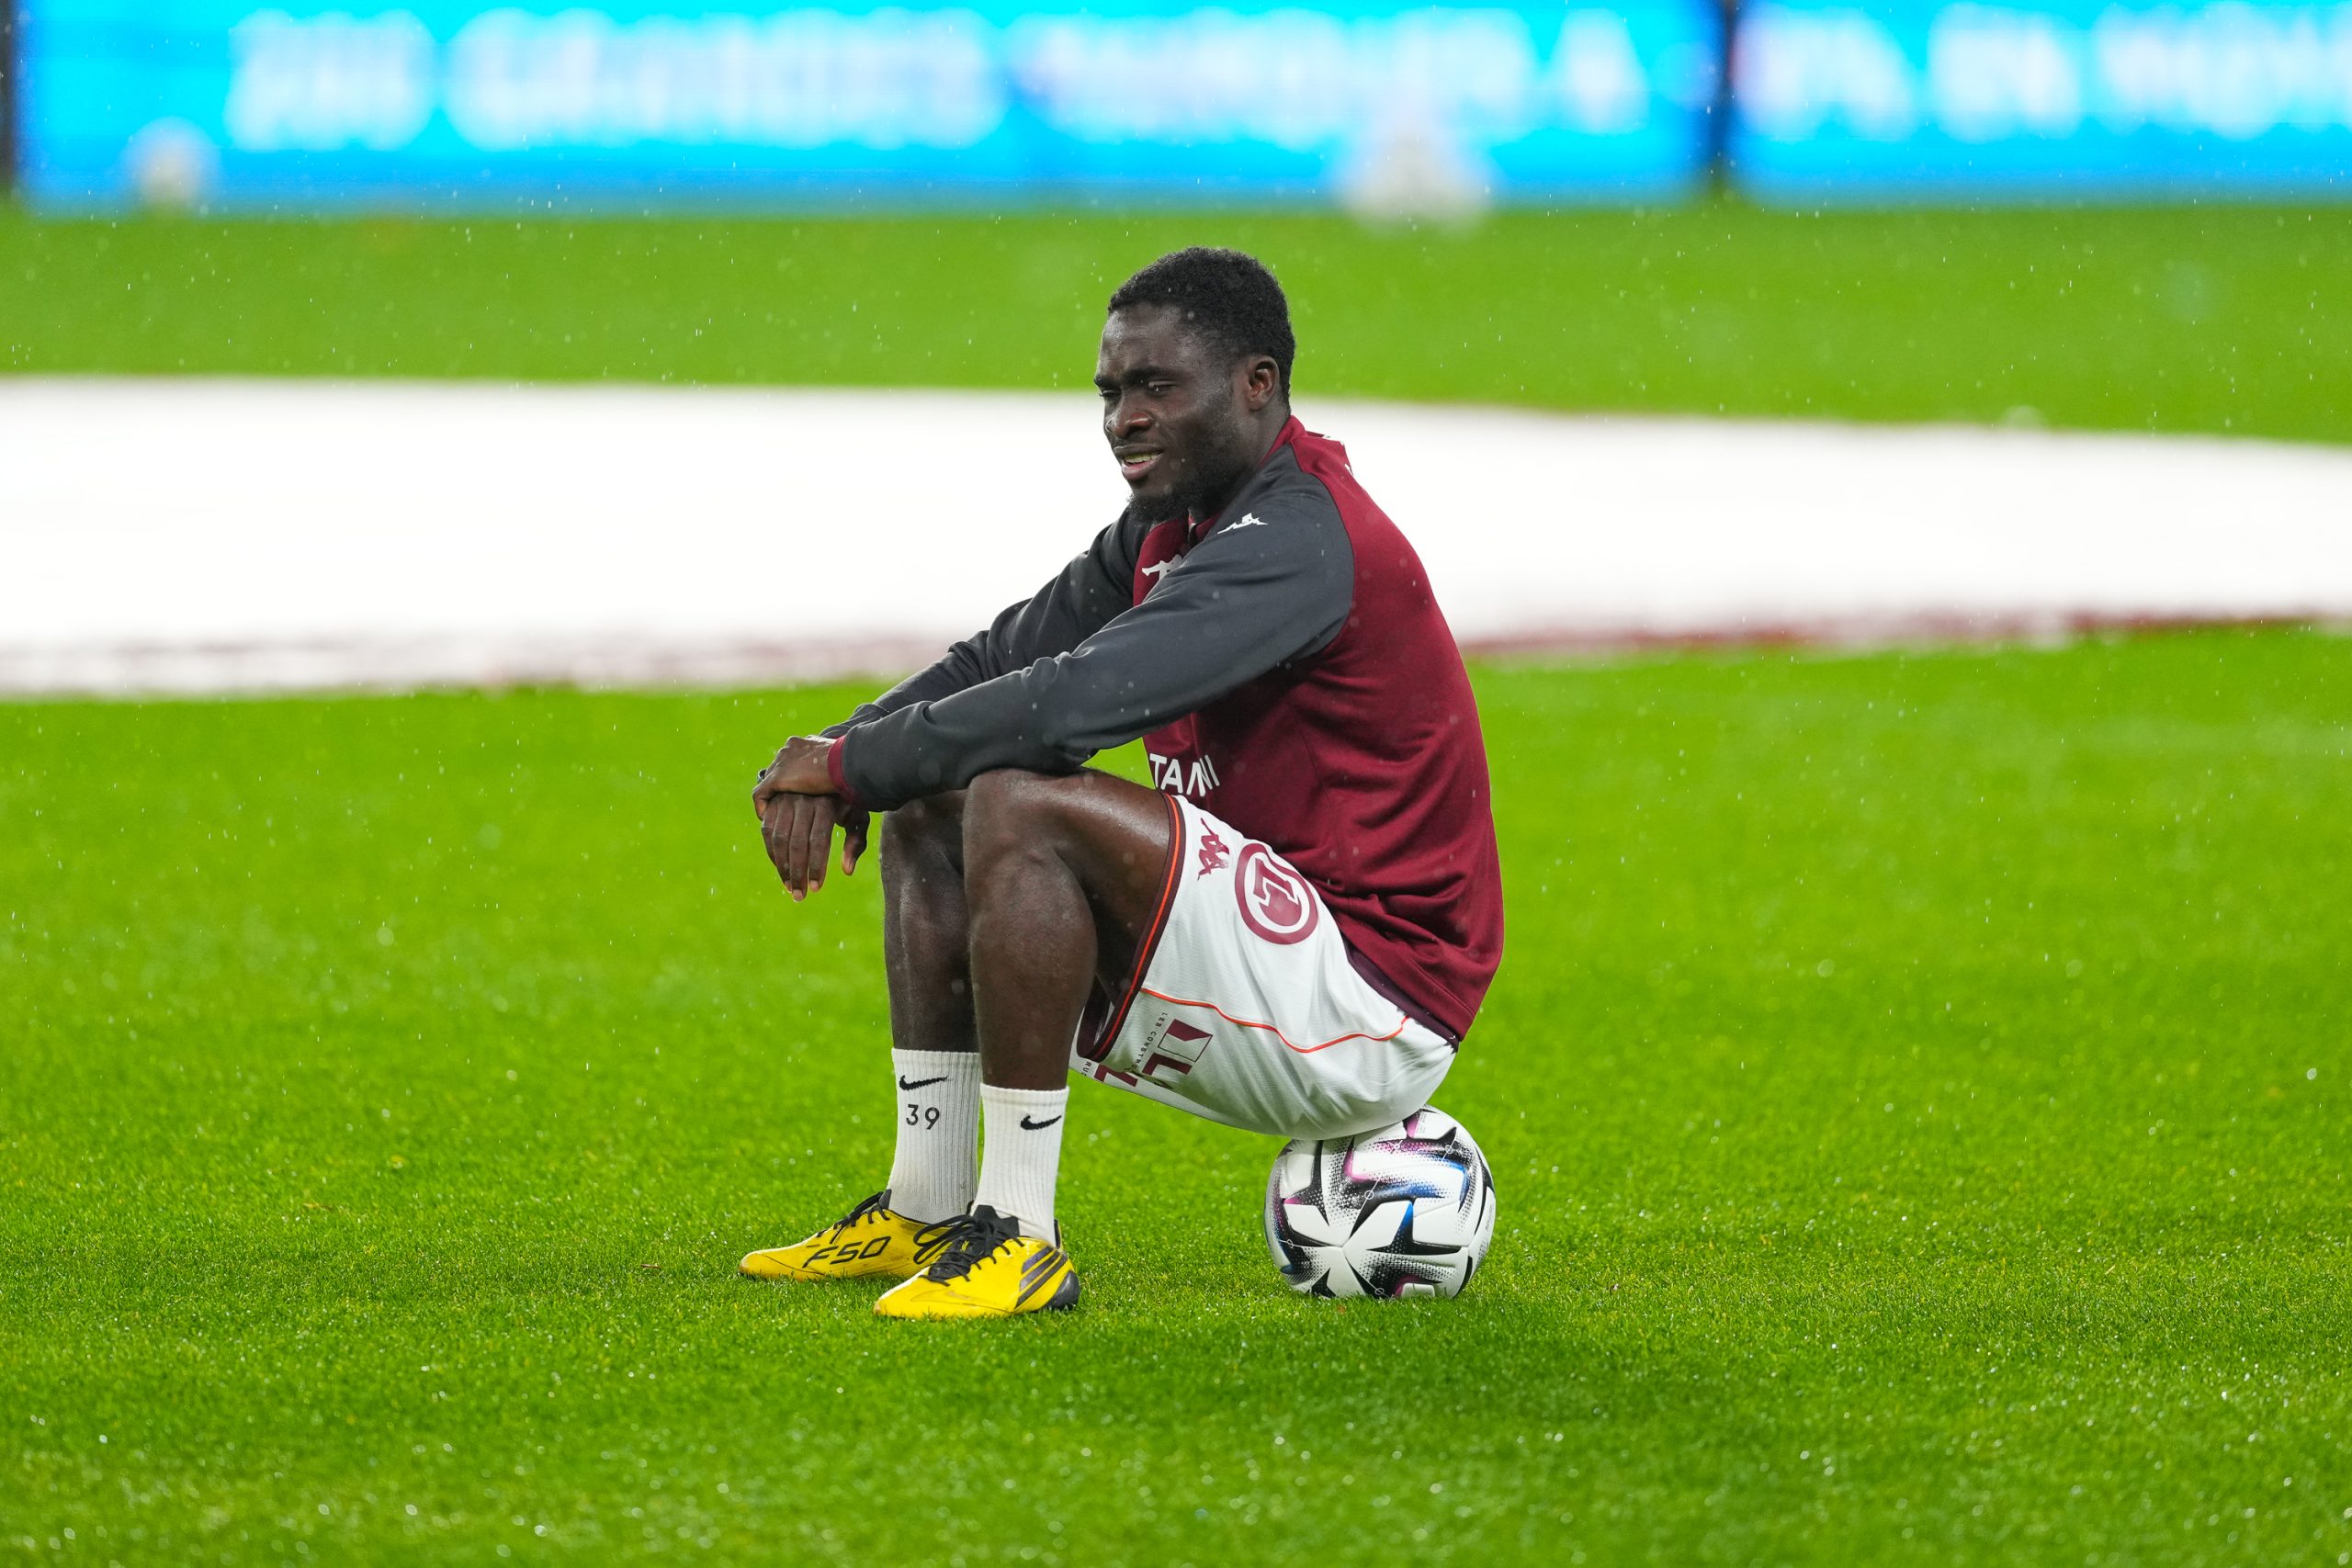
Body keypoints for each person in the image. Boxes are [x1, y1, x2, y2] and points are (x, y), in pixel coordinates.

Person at [741, 247, 1503, 1319]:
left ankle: (1019, 1238)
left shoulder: (1297, 538)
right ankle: (926, 1206)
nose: (1122, 419)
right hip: (1283, 942)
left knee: (1012, 794)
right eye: (1109, 391)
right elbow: (1003, 657)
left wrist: (847, 767)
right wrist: (848, 751)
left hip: (1374, 998)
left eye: (1155, 388)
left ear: (1257, 385)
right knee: (934, 792)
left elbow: (1067, 705)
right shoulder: (1173, 526)